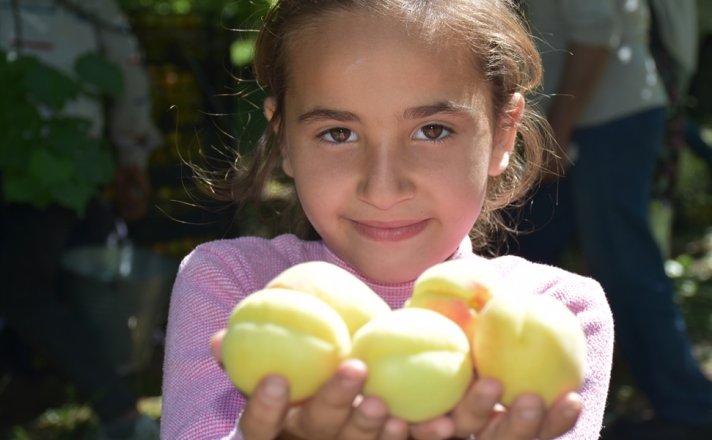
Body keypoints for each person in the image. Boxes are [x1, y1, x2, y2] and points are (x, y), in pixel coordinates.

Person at [160, 1, 614, 439]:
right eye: (338, 134)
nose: (382, 189)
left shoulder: (560, 312)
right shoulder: (233, 288)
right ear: (283, 141)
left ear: (502, 133)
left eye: (432, 130)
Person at [515, 0, 712, 439]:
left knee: (625, 265)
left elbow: (596, 31)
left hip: (608, 121)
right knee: (531, 255)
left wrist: (559, 130)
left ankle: (691, 412)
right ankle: (546, 399)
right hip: (584, 120)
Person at [0, 0, 161, 439]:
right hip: (58, 168)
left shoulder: (88, 11)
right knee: (53, 293)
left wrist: (133, 153)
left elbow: (124, 71)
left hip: (53, 171)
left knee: (25, 292)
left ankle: (124, 416)